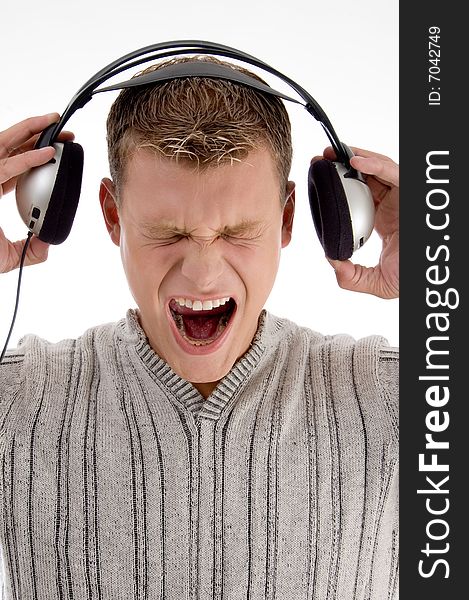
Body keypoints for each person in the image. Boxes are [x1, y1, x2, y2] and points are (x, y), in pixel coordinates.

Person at [0, 56, 399, 599]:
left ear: (286, 220)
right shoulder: (18, 401)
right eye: (168, 234)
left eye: (238, 232)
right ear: (112, 217)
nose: (204, 272)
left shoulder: (392, 399)